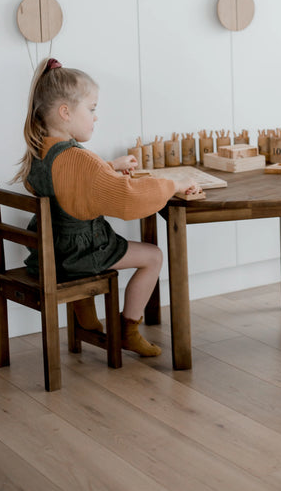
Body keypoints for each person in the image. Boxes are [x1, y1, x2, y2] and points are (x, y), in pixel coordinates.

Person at [13, 57, 201, 357]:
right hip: (79, 253)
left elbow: (71, 183)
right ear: (65, 112)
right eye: (91, 109)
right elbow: (128, 199)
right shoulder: (77, 158)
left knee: (115, 248)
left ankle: (87, 318)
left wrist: (110, 167)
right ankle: (128, 329)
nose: (95, 117)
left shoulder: (39, 149)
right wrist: (172, 185)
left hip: (50, 250)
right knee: (153, 256)